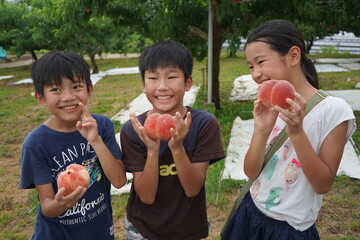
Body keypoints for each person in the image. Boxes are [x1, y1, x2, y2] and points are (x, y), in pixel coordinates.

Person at [221, 19, 356, 239]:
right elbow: (251, 172)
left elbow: (323, 184)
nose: (255, 74)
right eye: (251, 66)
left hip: (290, 229)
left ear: (293, 56)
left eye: (261, 62)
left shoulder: (333, 111)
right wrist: (261, 130)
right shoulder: (271, 107)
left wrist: (297, 132)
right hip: (250, 212)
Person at [120, 40, 226, 240]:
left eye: (171, 77)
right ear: (143, 84)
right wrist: (152, 150)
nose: (162, 86)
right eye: (153, 78)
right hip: (143, 230)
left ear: (187, 83)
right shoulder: (134, 130)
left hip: (187, 229)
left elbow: (193, 188)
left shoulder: (203, 124)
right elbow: (146, 197)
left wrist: (177, 148)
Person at [19, 50, 127, 240]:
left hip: (98, 232)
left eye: (76, 86)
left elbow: (119, 181)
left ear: (89, 89)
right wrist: (61, 204)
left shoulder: (102, 126)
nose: (68, 97)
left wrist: (95, 140)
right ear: (40, 97)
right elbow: (47, 207)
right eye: (55, 89)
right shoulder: (36, 144)